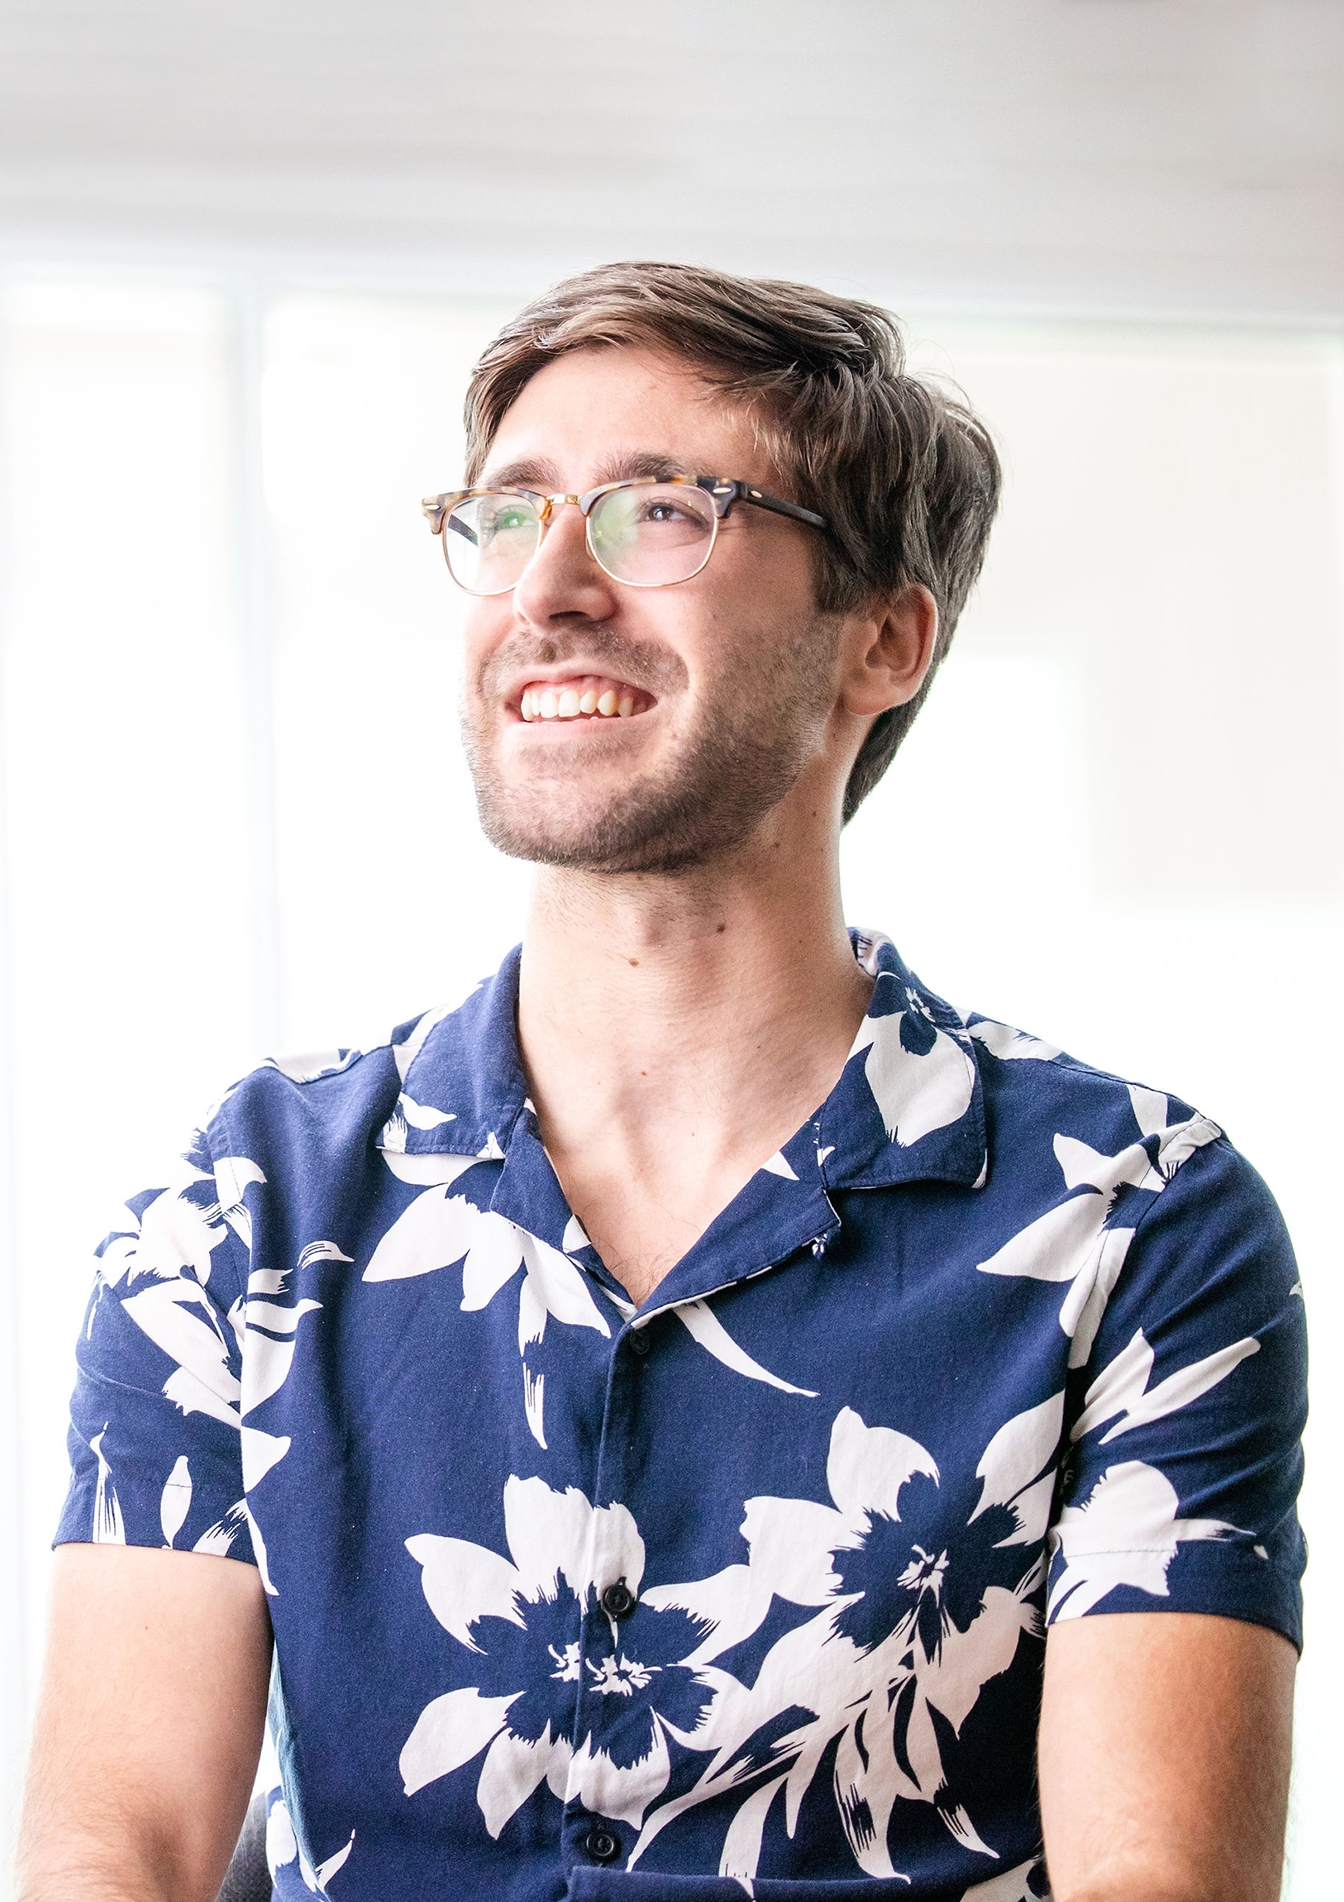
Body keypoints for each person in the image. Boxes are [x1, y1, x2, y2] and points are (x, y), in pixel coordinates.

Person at [17, 262, 1305, 1902]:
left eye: (657, 514)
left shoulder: (1136, 1219)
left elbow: (1160, 1882)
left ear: (883, 638)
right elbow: (113, 1843)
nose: (548, 585)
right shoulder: (248, 1198)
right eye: (508, 517)